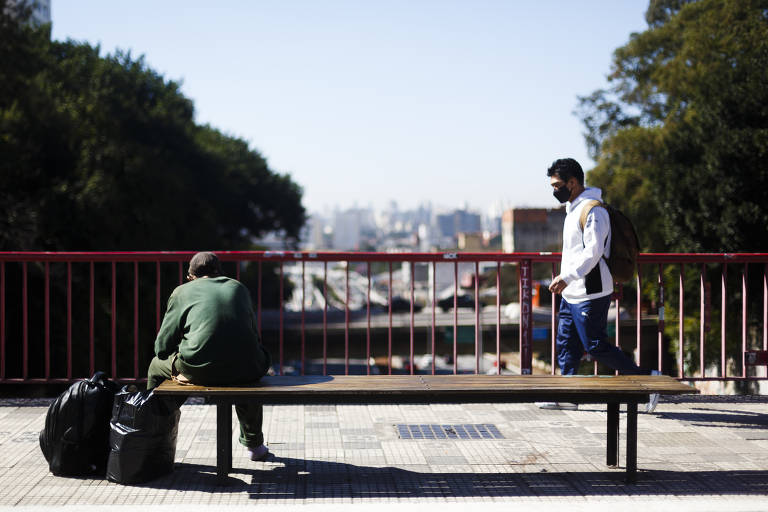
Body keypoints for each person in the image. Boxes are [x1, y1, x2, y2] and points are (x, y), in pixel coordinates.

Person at [541, 158, 660, 413]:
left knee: (595, 345)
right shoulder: (572, 208)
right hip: (571, 291)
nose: (554, 191)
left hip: (591, 290)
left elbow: (593, 252)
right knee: (566, 344)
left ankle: (649, 380)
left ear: (573, 183)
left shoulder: (594, 210)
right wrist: (567, 280)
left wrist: (567, 276)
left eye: (558, 185)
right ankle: (567, 394)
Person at [147, 251, 273, 461]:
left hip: (200, 370)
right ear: (220, 273)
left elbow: (161, 347)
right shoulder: (238, 287)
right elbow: (253, 336)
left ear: (191, 276)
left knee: (155, 365)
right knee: (243, 366)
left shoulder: (182, 292)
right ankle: (255, 445)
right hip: (249, 367)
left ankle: (155, 431)